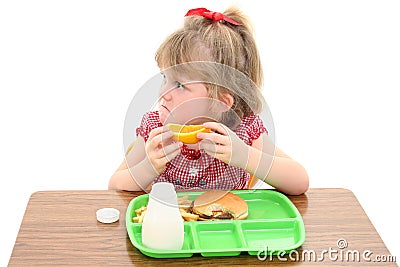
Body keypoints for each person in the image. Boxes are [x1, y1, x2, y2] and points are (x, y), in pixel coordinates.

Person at [109, 7, 309, 195]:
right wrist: (147, 168)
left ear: (221, 101)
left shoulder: (243, 131)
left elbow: (299, 181)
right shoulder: (156, 128)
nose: (164, 93)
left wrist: (246, 156)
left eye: (179, 85)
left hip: (228, 229)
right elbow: (114, 186)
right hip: (174, 228)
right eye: (164, 78)